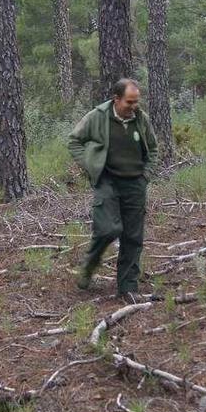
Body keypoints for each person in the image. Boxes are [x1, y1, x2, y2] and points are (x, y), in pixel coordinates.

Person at [68, 78, 159, 303]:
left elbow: (154, 149)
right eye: (129, 102)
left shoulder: (141, 119)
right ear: (116, 99)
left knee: (133, 236)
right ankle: (89, 266)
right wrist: (90, 164)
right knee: (108, 229)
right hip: (107, 181)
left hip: (135, 184)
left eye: (136, 102)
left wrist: (145, 176)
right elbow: (74, 141)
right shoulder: (98, 117)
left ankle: (127, 286)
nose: (133, 106)